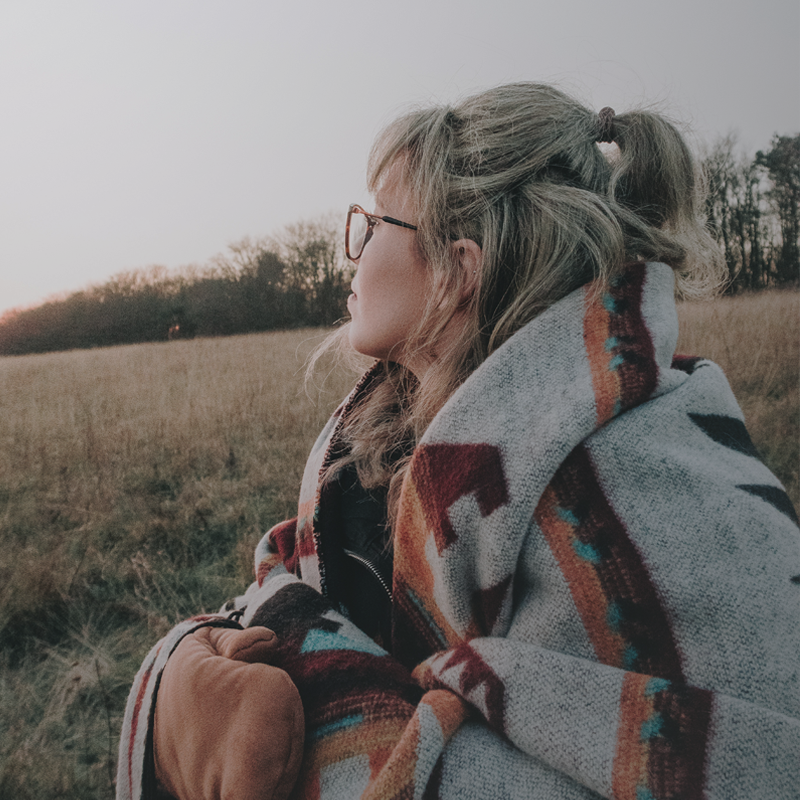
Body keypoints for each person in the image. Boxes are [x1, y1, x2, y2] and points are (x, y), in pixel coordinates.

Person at [117, 83, 800, 800]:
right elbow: (307, 588)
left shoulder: (652, 486)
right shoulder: (379, 457)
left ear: (457, 269)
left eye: (376, 220)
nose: (353, 247)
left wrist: (314, 724)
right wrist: (184, 670)